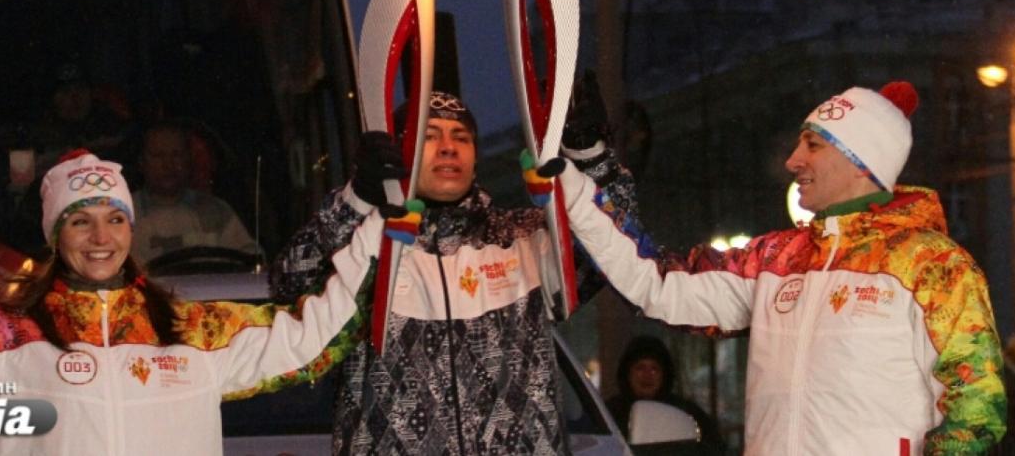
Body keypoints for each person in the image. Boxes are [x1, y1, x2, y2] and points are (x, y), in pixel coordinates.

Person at [550, 80, 1008, 454]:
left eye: (812, 145)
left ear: (860, 161)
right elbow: (655, 282)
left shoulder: (933, 265)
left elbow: (977, 407)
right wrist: (580, 183)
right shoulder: (775, 261)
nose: (794, 160)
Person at [0, 148, 387, 454]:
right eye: (81, 221)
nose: (101, 238)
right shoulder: (5, 336)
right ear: (55, 234)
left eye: (115, 219)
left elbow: (317, 332)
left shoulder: (194, 330)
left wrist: (375, 223)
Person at [270, 81, 641, 454]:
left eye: (461, 137)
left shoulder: (520, 240)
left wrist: (592, 157)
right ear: (399, 152)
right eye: (429, 136)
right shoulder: (367, 246)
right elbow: (289, 284)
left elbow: (615, 250)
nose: (448, 147)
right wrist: (357, 199)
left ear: (475, 157)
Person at [131, 120, 261, 264]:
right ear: (142, 163)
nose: (168, 165)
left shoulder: (216, 211)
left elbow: (250, 260)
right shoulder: (124, 214)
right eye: (158, 156)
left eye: (176, 155)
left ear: (188, 161)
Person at [604, 335, 725, 453]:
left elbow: (713, 448)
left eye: (654, 369)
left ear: (664, 375)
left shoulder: (685, 412)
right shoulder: (608, 414)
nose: (647, 375)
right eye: (640, 368)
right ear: (627, 373)